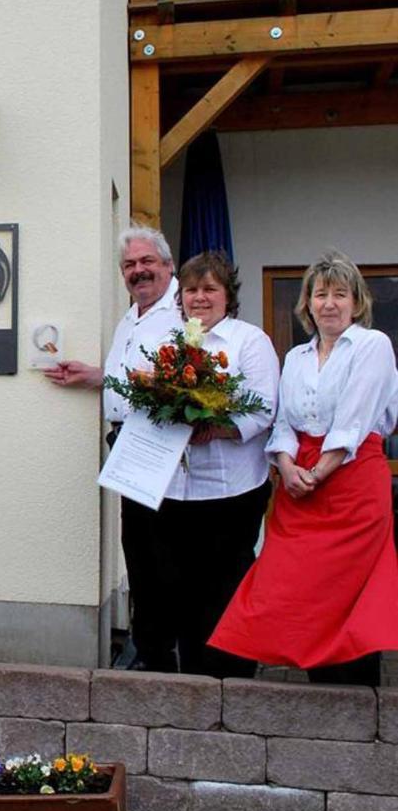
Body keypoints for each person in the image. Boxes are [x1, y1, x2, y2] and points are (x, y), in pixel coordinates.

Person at [210, 251, 398, 687]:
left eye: (339, 294)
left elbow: (355, 418)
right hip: (300, 483)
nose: (329, 303)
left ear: (357, 301)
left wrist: (320, 471)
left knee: (347, 589)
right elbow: (282, 423)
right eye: (320, 294)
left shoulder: (373, 345)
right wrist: (288, 465)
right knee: (298, 586)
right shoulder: (295, 356)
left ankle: (356, 691)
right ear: (308, 303)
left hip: (351, 482)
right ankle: (316, 680)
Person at [43, 227, 183, 671]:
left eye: (147, 263)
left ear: (167, 265)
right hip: (130, 445)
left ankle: (164, 653)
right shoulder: (133, 315)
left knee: (164, 555)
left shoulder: (183, 313)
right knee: (139, 550)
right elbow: (132, 375)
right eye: (129, 265)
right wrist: (95, 375)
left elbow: (167, 384)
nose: (138, 271)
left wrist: (112, 380)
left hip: (164, 449)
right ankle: (150, 645)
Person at [140, 252, 279, 677]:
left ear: (227, 295)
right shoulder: (171, 342)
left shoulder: (249, 341)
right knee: (178, 587)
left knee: (225, 587)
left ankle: (232, 676)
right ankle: (194, 679)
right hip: (176, 489)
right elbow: (148, 404)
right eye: (191, 290)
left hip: (230, 490)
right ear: (180, 298)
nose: (199, 298)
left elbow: (264, 410)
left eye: (209, 289)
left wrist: (215, 428)